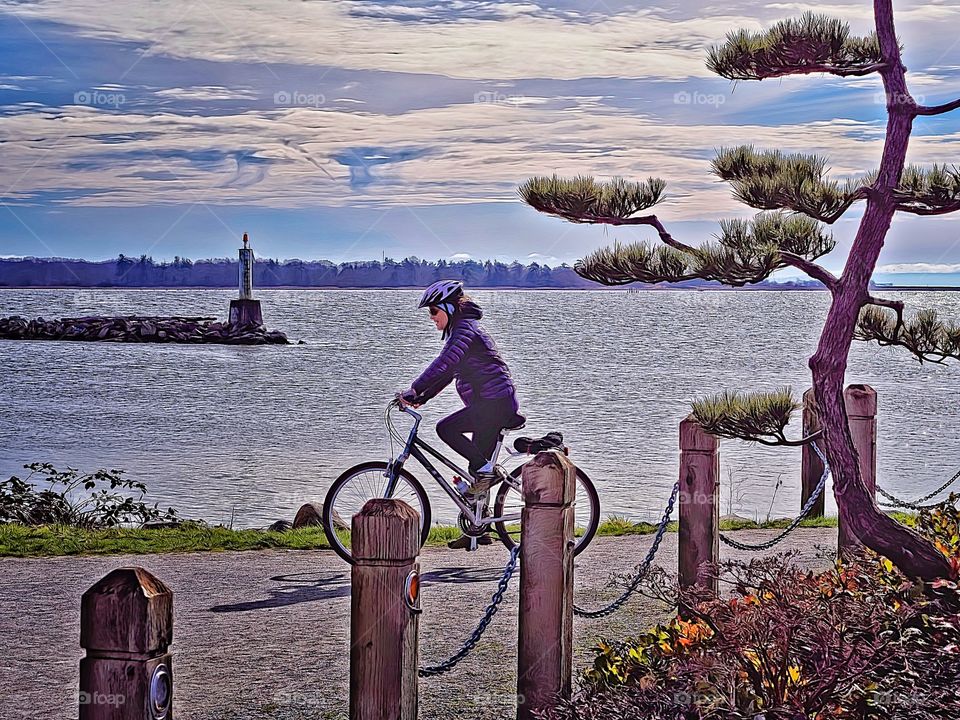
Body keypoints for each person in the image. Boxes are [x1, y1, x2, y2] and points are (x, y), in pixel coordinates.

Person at [400, 280, 524, 498]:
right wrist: (422, 397)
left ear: (448, 307)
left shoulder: (464, 330)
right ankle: (478, 528)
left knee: (446, 429)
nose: (431, 316)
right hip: (491, 404)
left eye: (433, 310)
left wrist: (415, 387)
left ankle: (488, 473)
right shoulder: (461, 329)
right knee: (477, 473)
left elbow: (446, 362)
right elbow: (449, 373)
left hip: (494, 403)